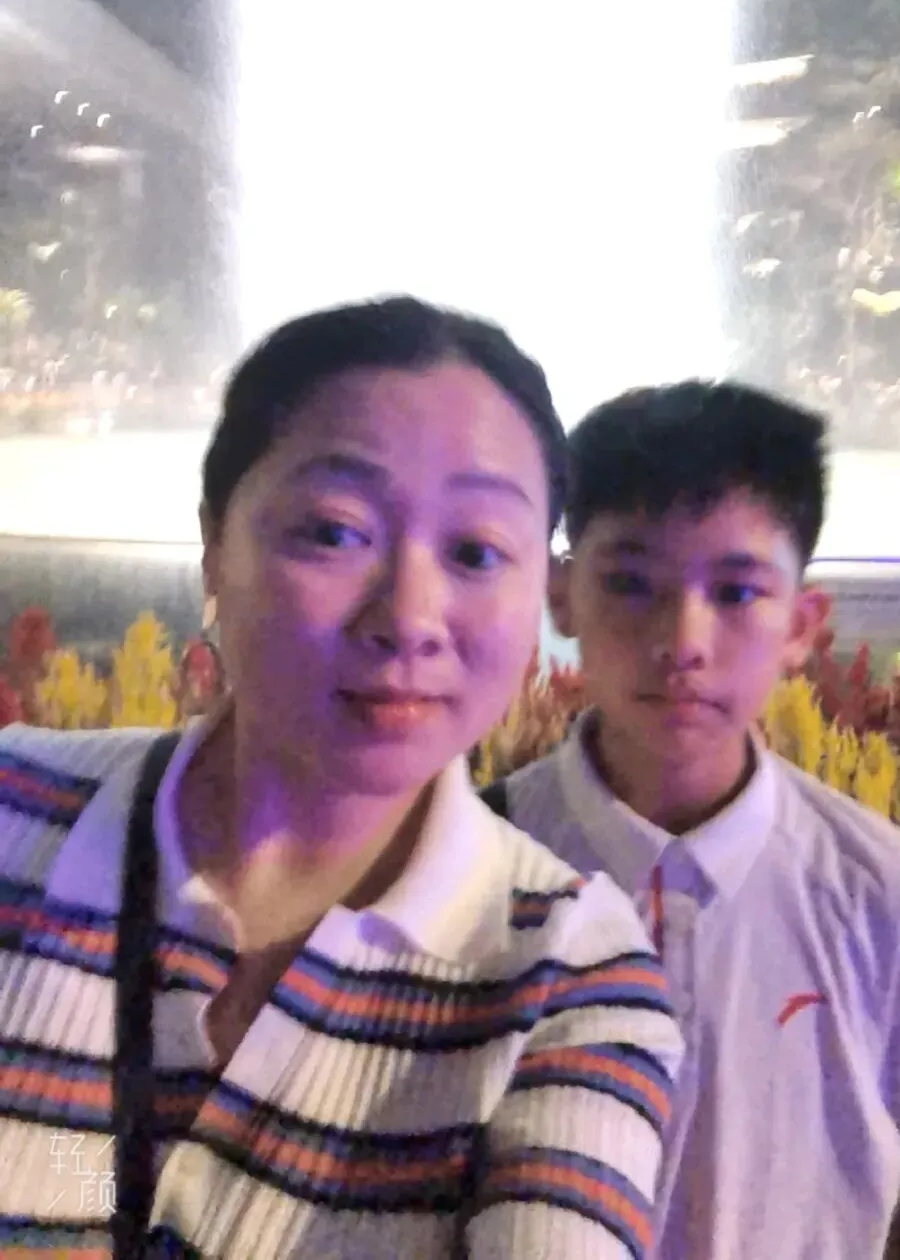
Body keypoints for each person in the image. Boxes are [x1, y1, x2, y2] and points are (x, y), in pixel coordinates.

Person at [0, 296, 682, 1259]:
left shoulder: (566, 984)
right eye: (333, 531)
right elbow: (91, 1180)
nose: (409, 617)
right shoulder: (17, 815)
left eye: (476, 552)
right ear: (214, 544)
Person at [499, 380, 900, 1260]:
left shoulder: (880, 891)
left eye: (736, 591)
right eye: (631, 583)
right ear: (560, 594)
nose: (684, 640)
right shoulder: (472, 863)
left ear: (802, 624)